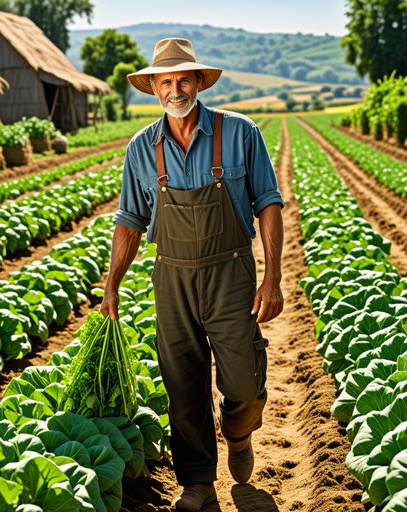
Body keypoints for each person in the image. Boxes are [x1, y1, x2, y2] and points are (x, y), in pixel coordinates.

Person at [100, 37, 284, 511]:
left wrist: (272, 278)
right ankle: (198, 480)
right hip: (172, 276)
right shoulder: (142, 148)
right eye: (166, 81)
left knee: (243, 383)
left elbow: (267, 203)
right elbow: (129, 219)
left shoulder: (240, 133)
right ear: (154, 89)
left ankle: (239, 434)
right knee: (183, 386)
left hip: (231, 272)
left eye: (184, 79)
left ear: (200, 81)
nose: (176, 88)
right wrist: (112, 283)